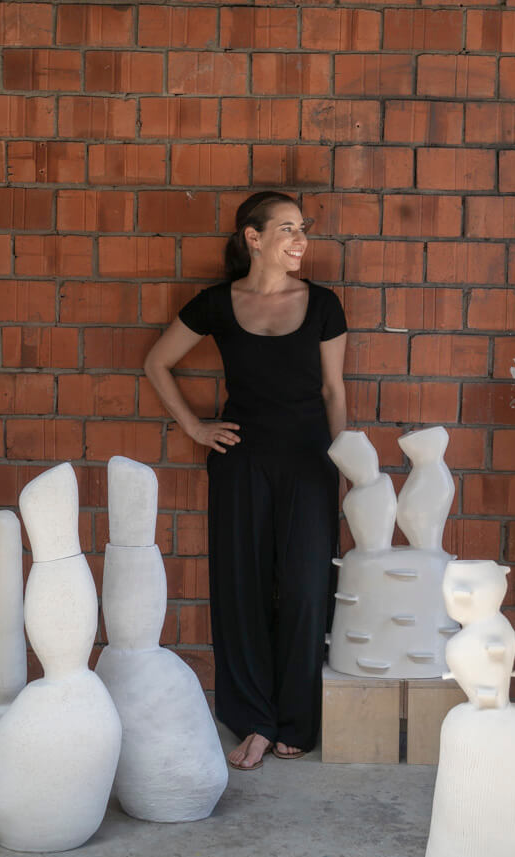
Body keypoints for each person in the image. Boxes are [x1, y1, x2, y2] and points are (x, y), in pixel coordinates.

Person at [144, 191, 348, 771]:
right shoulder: (217, 303)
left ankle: (295, 721)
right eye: (286, 229)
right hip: (240, 461)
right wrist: (195, 428)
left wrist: (342, 464)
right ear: (253, 238)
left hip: (311, 463)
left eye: (302, 228)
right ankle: (255, 721)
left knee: (307, 589)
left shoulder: (323, 304)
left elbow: (334, 392)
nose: (300, 239)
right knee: (243, 589)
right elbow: (157, 362)